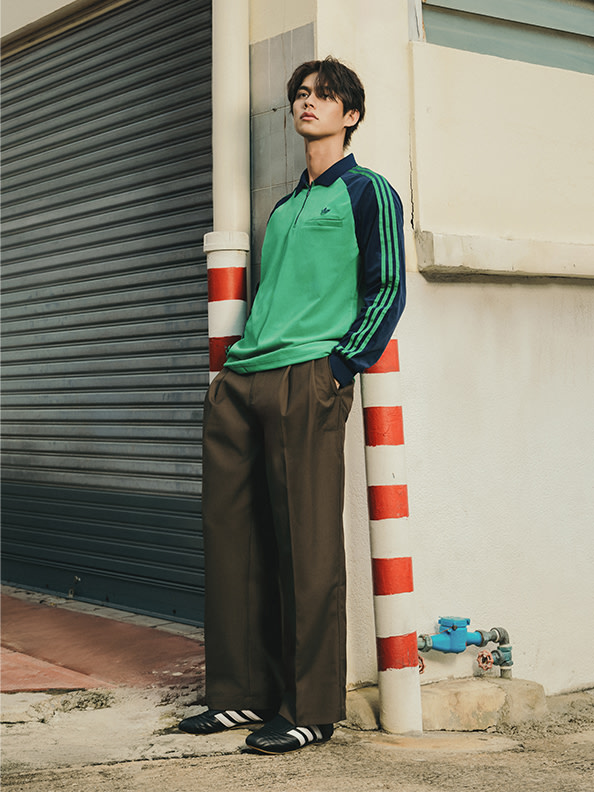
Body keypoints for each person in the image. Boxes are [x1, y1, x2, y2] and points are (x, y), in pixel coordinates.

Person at [179, 56, 406, 754]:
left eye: (324, 96)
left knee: (307, 547)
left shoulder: (368, 193)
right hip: (245, 381)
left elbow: (387, 286)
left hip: (308, 379)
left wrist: (340, 369)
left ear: (352, 114)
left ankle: (310, 708)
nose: (308, 103)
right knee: (233, 542)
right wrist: (229, 376)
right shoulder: (282, 208)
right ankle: (239, 697)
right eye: (301, 95)